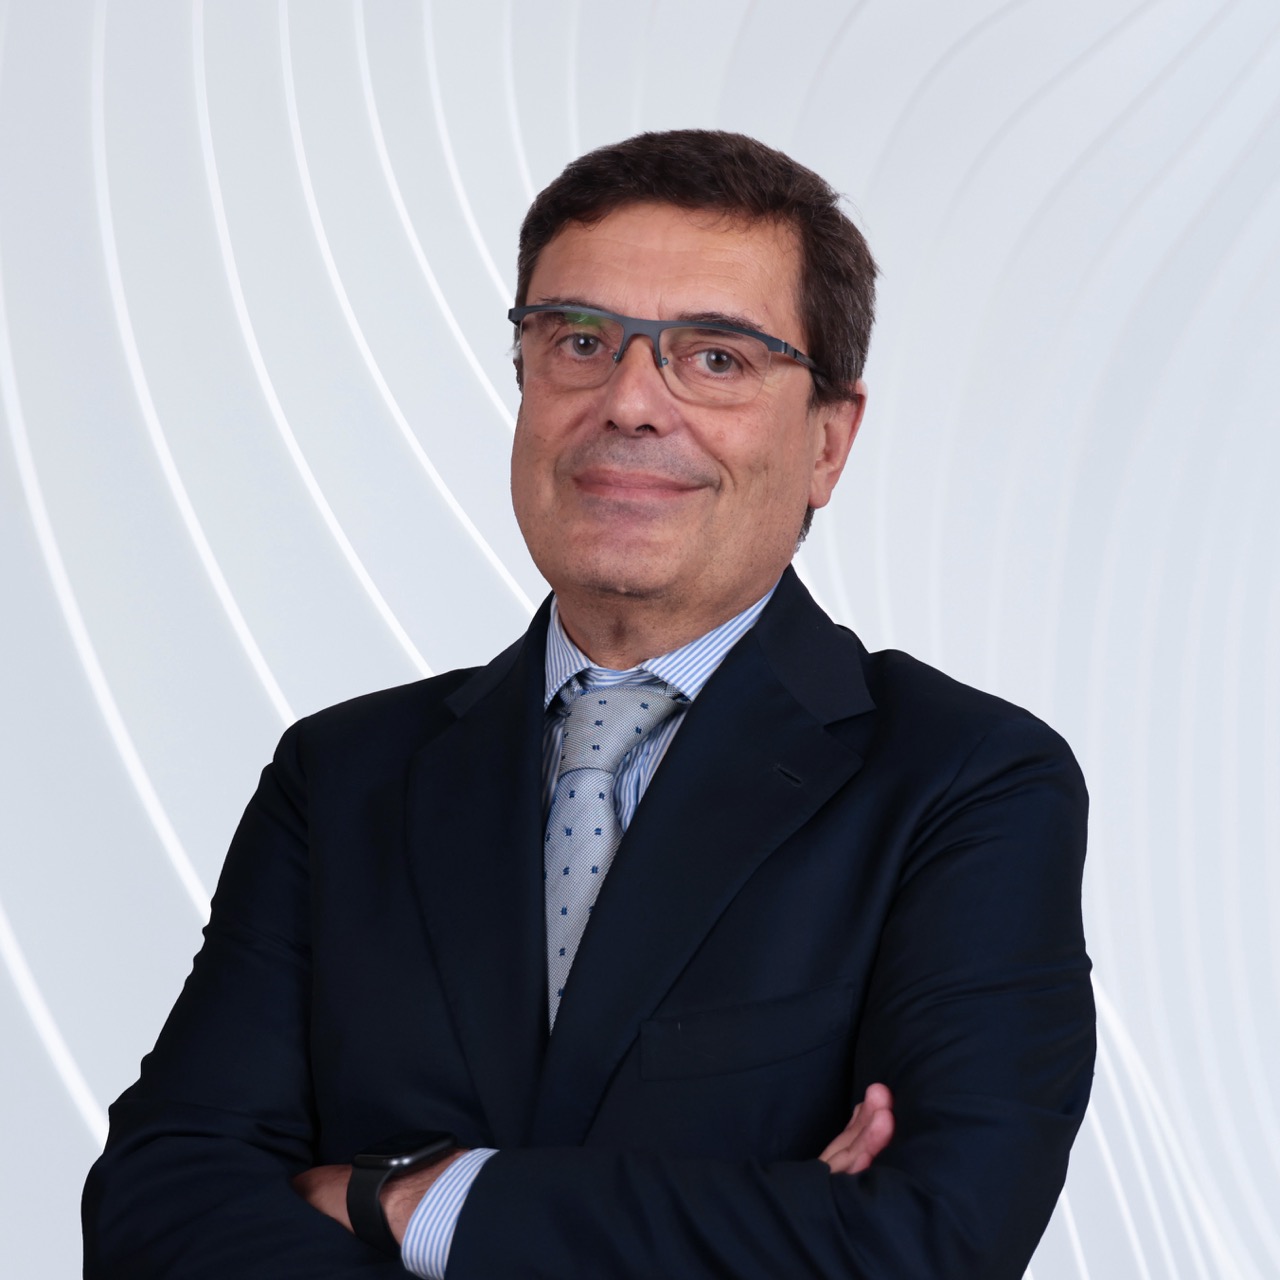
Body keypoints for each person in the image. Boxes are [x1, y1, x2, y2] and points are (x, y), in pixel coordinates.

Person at [83, 129, 1094, 1279]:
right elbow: (159, 1204)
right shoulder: (344, 775)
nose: (629, 402)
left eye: (715, 357)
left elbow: (923, 1242)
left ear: (827, 440)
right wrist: (760, 1221)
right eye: (578, 340)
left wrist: (415, 1198)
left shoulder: (963, 782)